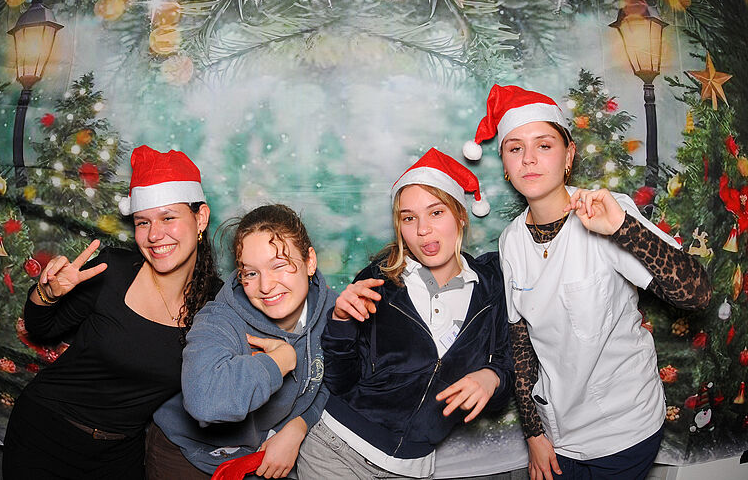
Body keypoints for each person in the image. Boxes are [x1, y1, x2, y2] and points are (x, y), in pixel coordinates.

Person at [463, 84, 712, 480]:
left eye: (544, 145)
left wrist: (623, 229)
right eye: (515, 148)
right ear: (506, 165)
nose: (529, 159)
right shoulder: (511, 241)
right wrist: (534, 433)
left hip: (624, 432)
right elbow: (521, 342)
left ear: (568, 156)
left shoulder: (607, 212)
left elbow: (697, 293)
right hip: (557, 435)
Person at [2, 146, 223, 479]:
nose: (154, 235)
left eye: (168, 218)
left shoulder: (217, 303)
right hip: (45, 435)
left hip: (118, 457)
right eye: (143, 222)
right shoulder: (112, 271)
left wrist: (293, 426)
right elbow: (40, 327)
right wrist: (46, 294)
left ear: (200, 218)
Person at [297, 148, 513, 479]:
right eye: (409, 218)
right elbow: (340, 382)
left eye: (436, 212)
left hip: (412, 469)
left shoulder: (491, 287)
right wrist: (340, 324)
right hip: (335, 452)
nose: (423, 230)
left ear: (460, 216)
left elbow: (506, 373)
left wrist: (493, 378)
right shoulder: (378, 282)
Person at [148, 204, 337, 479]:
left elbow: (334, 381)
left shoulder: (334, 312)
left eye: (279, 265)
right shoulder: (218, 320)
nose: (266, 286)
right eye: (251, 273)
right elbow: (205, 402)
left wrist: (299, 426)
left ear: (310, 261)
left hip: (259, 457)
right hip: (189, 456)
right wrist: (278, 362)